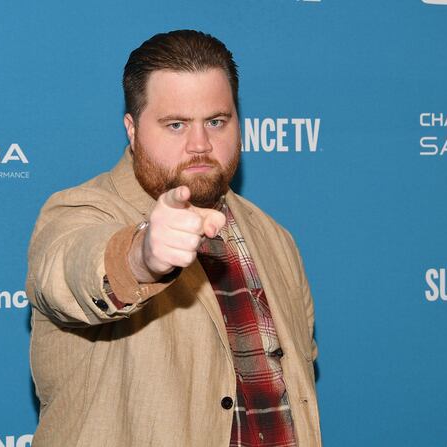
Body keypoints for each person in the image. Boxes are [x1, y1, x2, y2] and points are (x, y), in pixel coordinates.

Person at [26, 29, 321, 447]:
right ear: (132, 129)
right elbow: (67, 270)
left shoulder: (274, 239)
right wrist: (141, 258)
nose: (200, 144)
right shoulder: (80, 211)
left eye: (216, 122)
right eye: (176, 124)